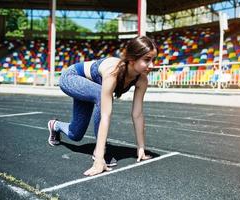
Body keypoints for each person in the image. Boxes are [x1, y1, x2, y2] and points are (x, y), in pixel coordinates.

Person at [47, 36, 158, 176]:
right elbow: (106, 114)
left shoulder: (142, 80)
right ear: (132, 58)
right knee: (101, 95)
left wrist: (141, 148)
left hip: (90, 88)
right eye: (147, 60)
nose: (152, 65)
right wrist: (99, 158)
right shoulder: (114, 71)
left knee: (75, 134)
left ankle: (54, 125)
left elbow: (137, 114)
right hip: (72, 77)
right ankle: (99, 152)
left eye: (153, 59)